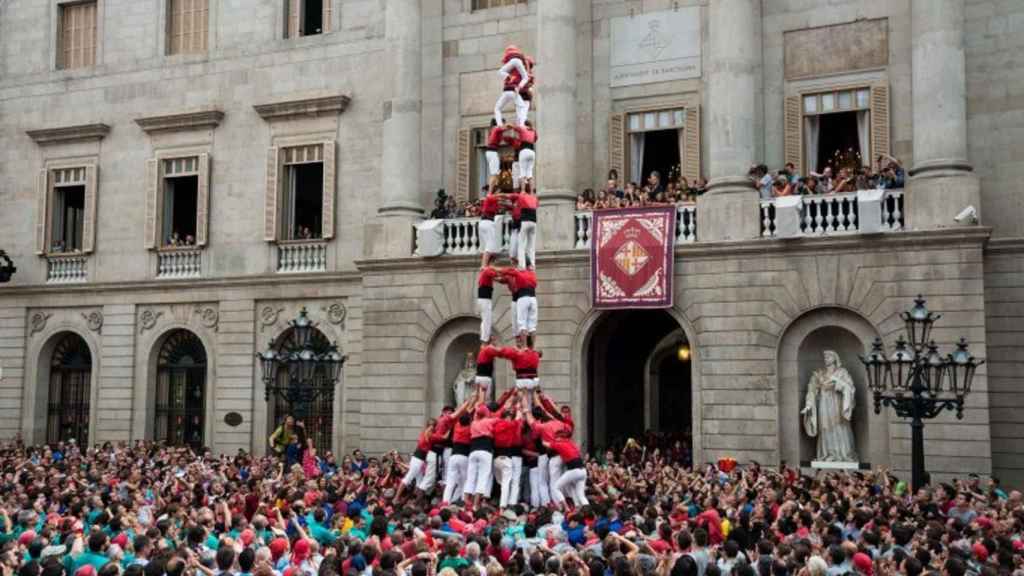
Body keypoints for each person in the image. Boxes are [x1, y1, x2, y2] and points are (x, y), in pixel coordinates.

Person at [495, 45, 531, 126]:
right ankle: (521, 125)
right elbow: (525, 77)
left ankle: (499, 125)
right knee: (521, 107)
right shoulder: (518, 62)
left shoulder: (514, 61)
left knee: (497, 108)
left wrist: (508, 78)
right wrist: (519, 86)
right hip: (514, 90)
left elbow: (500, 72)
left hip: (507, 91)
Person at [477, 266, 500, 343]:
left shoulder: (485, 271)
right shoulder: (487, 270)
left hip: (484, 299)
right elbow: (497, 275)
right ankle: (485, 340)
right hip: (485, 300)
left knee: (486, 320)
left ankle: (485, 338)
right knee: (487, 320)